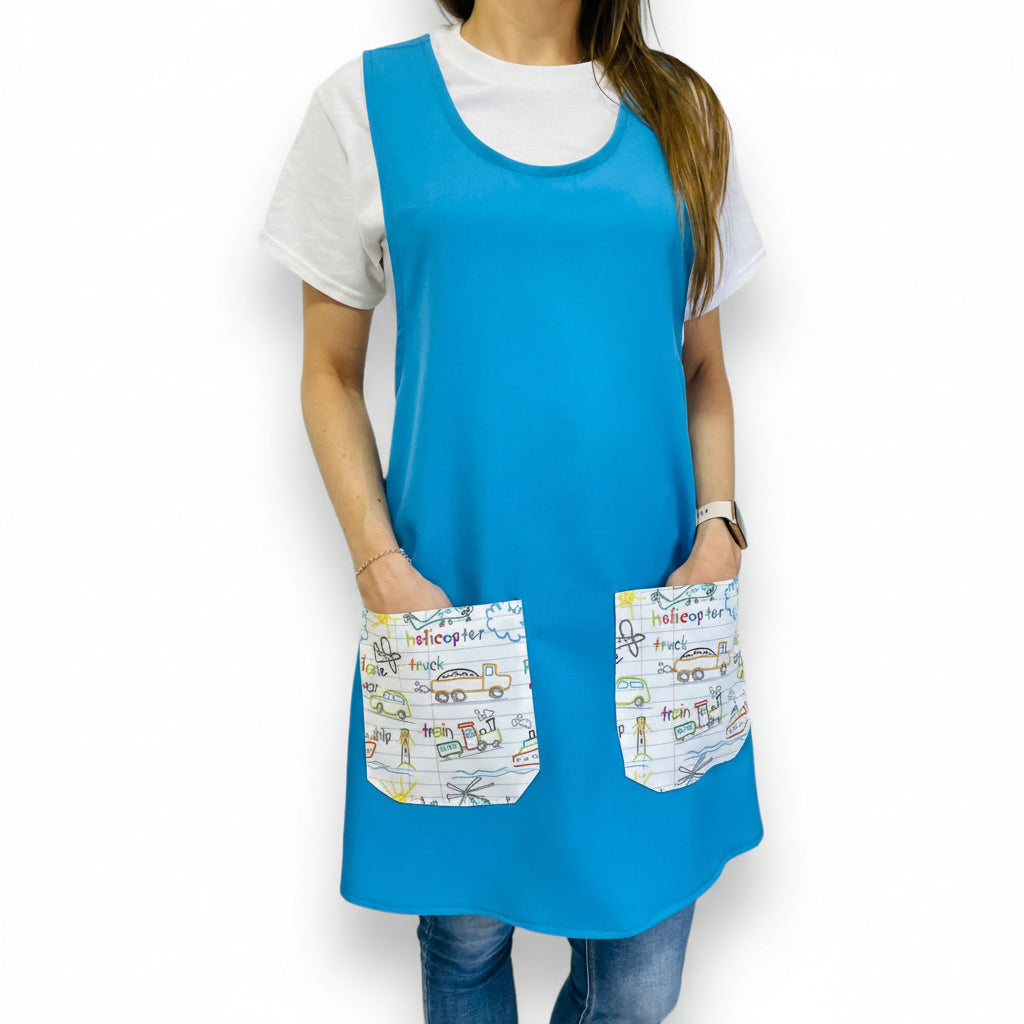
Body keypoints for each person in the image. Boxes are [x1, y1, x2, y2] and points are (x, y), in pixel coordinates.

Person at [258, 2, 768, 1021]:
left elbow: (703, 366)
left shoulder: (683, 113)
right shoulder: (367, 105)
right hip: (458, 605)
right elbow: (328, 371)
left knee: (640, 974)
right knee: (465, 936)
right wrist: (377, 564)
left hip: (650, 610)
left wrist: (720, 528)